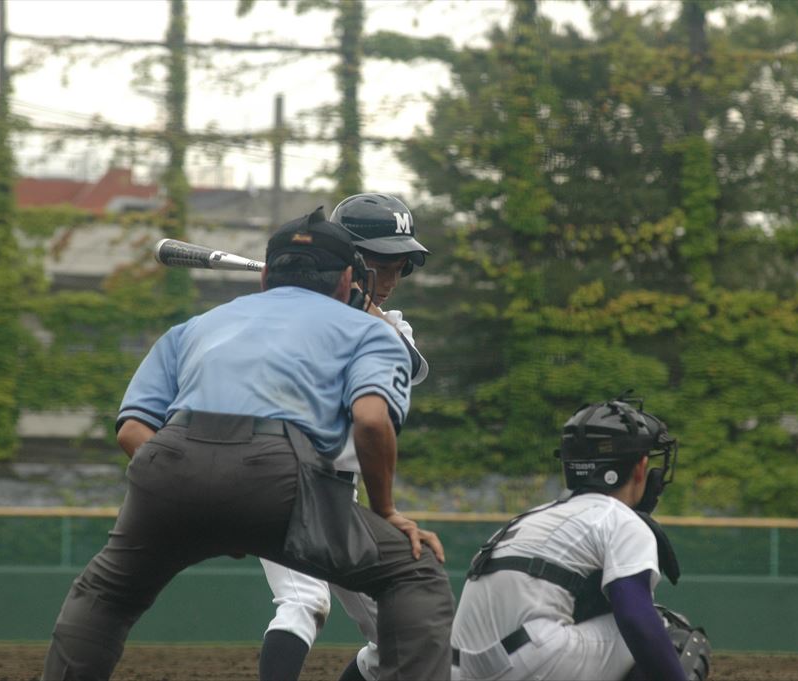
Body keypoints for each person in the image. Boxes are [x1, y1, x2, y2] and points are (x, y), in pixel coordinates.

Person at [41, 207, 454, 681]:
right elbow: (372, 421)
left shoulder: (194, 326)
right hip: (286, 479)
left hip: (168, 465)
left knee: (105, 595)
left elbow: (131, 428)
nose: (393, 278)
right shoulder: (368, 331)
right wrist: (386, 512)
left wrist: (200, 500)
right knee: (412, 573)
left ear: (264, 278)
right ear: (348, 278)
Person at [256, 193, 433, 681]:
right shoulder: (285, 315)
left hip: (338, 495)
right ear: (349, 262)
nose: (392, 280)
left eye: (400, 268)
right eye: (381, 266)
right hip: (279, 478)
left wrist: (360, 302)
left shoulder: (390, 325)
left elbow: (406, 363)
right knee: (303, 601)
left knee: (400, 632)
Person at [450, 394, 710, 681]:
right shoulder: (620, 519)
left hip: (460, 671)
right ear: (640, 468)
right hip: (533, 662)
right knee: (671, 632)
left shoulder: (535, 516)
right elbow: (637, 620)